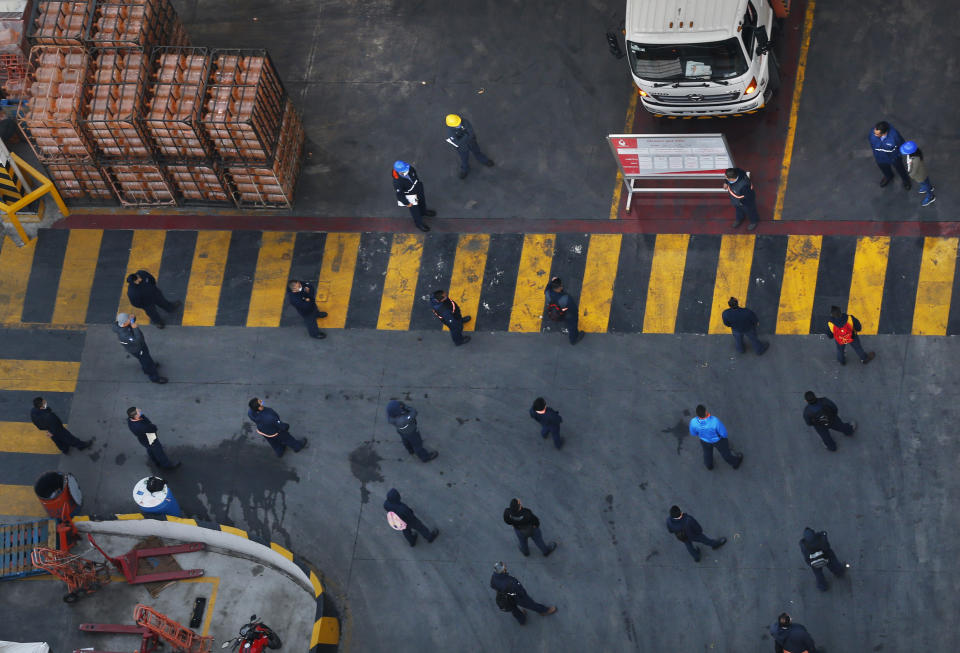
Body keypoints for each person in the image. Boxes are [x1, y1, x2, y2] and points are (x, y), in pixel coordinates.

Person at [489, 561, 557, 625]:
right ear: (503, 570)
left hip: (506, 599)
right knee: (530, 604)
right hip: (517, 597)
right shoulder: (510, 582)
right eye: (504, 566)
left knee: (514, 609)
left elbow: (492, 586)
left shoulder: (494, 577)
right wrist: (523, 595)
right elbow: (520, 592)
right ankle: (543, 611)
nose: (505, 566)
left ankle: (522, 620)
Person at [112, 313, 167, 384]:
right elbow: (137, 340)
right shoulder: (124, 335)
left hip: (140, 346)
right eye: (129, 318)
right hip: (137, 349)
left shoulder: (122, 324)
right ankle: (154, 377)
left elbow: (131, 321)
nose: (130, 318)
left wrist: (133, 317)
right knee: (146, 361)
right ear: (125, 322)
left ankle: (148, 368)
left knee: (146, 358)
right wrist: (135, 329)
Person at [689, 404, 743, 470]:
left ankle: (709, 465)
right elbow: (724, 433)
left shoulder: (693, 422)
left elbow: (693, 433)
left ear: (697, 414)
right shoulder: (714, 421)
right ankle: (735, 462)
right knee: (725, 453)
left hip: (704, 441)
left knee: (707, 453)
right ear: (705, 412)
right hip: (718, 440)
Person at [445, 113, 494, 179]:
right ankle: (464, 170)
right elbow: (457, 143)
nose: (459, 124)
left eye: (459, 122)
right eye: (457, 124)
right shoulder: (450, 133)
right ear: (451, 126)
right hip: (462, 148)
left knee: (477, 152)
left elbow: (471, 132)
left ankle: (484, 160)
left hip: (472, 142)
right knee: (464, 159)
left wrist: (463, 137)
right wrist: (466, 136)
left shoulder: (464, 121)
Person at [799, 527, 848, 592]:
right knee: (832, 561)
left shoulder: (803, 545)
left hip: (814, 562)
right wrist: (824, 535)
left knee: (818, 573)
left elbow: (806, 557)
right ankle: (839, 572)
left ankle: (823, 586)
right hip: (825, 557)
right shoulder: (820, 538)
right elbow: (827, 547)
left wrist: (810, 564)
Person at [392, 160, 435, 232]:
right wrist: (407, 203)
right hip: (410, 195)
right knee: (415, 210)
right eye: (405, 170)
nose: (407, 170)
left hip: (418, 188)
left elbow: (415, 175)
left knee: (422, 201)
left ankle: (423, 212)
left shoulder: (409, 168)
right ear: (399, 172)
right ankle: (419, 224)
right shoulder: (397, 182)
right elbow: (400, 194)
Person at [870, 120, 911, 189]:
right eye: (874, 132)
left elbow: (902, 145)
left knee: (900, 169)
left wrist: (897, 155)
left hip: (894, 157)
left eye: (877, 134)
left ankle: (906, 180)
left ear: (884, 133)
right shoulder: (872, 133)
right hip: (880, 157)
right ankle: (888, 176)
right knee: (884, 168)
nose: (874, 135)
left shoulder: (895, 137)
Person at [544, 276, 584, 345]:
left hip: (555, 312)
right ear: (560, 287)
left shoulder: (547, 293)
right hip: (565, 314)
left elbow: (547, 288)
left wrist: (552, 282)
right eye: (561, 285)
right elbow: (573, 309)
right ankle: (573, 340)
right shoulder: (566, 298)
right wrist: (575, 314)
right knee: (572, 324)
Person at [901, 140, 936, 207]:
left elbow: (914, 171)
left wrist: (910, 175)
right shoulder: (914, 153)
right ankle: (929, 187)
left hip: (920, 176)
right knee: (926, 182)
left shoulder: (916, 159)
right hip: (922, 173)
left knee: (924, 183)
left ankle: (930, 197)